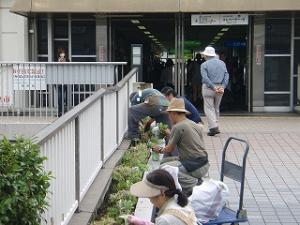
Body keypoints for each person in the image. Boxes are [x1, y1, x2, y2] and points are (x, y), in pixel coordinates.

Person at [153, 98, 209, 195]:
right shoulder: (193, 124)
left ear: (174, 113)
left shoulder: (178, 126)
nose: (169, 117)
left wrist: (159, 149)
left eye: (169, 114)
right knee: (164, 162)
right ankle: (191, 180)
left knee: (164, 169)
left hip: (195, 166)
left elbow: (169, 148)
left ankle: (195, 185)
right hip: (204, 163)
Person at [129, 169, 197, 225]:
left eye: (150, 197)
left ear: (162, 194)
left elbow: (167, 221)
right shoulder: (179, 200)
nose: (150, 201)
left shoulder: (165, 219)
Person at [200, 46, 229, 136]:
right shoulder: (222, 63)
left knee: (209, 108)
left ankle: (213, 127)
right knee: (216, 108)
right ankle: (215, 125)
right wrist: (223, 86)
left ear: (206, 55)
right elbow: (226, 75)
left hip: (208, 88)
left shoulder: (204, 65)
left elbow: (205, 78)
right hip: (220, 88)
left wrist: (213, 87)